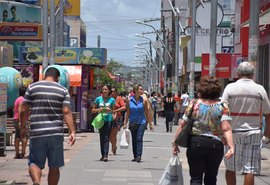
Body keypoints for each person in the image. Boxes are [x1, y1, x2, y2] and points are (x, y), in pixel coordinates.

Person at [172, 76, 234, 185]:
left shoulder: (194, 104)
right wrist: (231, 147)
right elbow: (226, 128)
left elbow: (183, 124)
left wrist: (175, 142)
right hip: (216, 144)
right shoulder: (223, 106)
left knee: (196, 178)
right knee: (211, 178)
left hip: (196, 143)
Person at [20, 67, 76, 185]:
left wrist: (23, 127)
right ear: (58, 78)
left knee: (34, 162)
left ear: (44, 75)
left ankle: (36, 181)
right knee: (54, 166)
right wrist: (72, 131)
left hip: (37, 131)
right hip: (55, 133)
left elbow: (24, 109)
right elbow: (66, 111)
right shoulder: (63, 90)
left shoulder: (32, 87)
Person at [221, 61, 270, 185]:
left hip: (233, 133)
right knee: (250, 168)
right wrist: (267, 133)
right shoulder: (260, 89)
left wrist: (222, 132)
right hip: (253, 132)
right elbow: (268, 113)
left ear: (238, 73)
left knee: (231, 167)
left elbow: (222, 111)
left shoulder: (230, 88)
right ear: (253, 74)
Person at [123, 84, 154, 162]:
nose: (142, 91)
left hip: (142, 122)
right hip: (133, 122)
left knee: (139, 138)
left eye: (142, 89)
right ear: (136, 90)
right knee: (134, 139)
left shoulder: (144, 101)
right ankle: (135, 155)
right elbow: (128, 112)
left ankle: (139, 155)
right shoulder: (129, 100)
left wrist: (150, 123)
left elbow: (147, 113)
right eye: (140, 89)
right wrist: (125, 123)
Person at [91, 84, 115, 162]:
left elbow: (114, 111)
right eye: (103, 89)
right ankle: (102, 154)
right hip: (100, 120)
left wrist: (110, 111)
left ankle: (105, 155)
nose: (104, 91)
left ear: (109, 91)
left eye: (106, 89)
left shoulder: (112, 100)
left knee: (106, 137)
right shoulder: (98, 99)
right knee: (102, 137)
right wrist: (99, 109)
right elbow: (93, 110)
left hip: (109, 120)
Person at [109, 87, 126, 155]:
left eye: (114, 92)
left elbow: (124, 107)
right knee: (109, 135)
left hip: (117, 118)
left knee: (114, 134)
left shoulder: (119, 99)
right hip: (109, 118)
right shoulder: (109, 99)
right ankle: (114, 145)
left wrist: (116, 110)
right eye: (111, 92)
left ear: (116, 92)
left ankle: (113, 148)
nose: (112, 93)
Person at [13, 86, 28, 159]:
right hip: (21, 120)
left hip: (16, 119)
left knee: (17, 136)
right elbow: (20, 110)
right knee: (24, 136)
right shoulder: (23, 100)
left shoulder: (17, 99)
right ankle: (22, 152)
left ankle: (17, 153)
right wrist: (20, 121)